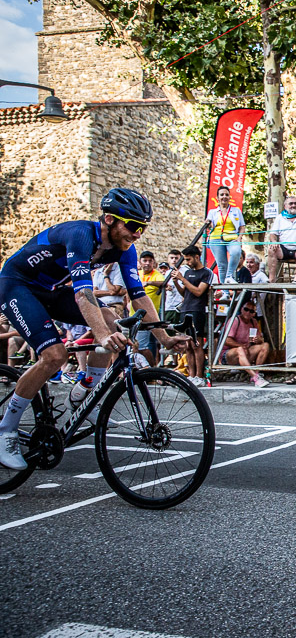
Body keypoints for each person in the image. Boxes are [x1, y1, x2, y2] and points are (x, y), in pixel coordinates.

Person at [0, 188, 190, 469]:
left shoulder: (125, 249)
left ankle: (84, 391)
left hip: (50, 289)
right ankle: (6, 430)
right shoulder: (80, 235)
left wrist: (163, 337)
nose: (138, 234)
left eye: (143, 228)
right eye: (134, 226)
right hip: (16, 285)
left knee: (114, 321)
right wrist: (101, 335)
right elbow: (83, 293)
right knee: (54, 356)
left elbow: (138, 295)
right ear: (110, 219)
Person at [170, 245, 214, 388]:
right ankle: (192, 374)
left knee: (197, 344)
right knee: (187, 345)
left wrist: (182, 279)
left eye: (189, 259)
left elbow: (198, 291)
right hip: (185, 309)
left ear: (196, 257)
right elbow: (185, 293)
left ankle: (200, 376)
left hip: (197, 310)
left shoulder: (206, 273)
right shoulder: (188, 273)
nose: (187, 262)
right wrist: (177, 282)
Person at [266, 195, 296, 283]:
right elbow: (273, 233)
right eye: (290, 203)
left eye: (295, 203)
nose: (293, 205)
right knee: (271, 249)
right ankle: (271, 279)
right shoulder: (280, 217)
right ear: (285, 206)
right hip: (284, 248)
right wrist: (273, 241)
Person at [223, 300, 270, 388]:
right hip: (230, 354)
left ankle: (256, 373)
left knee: (265, 345)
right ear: (241, 309)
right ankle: (255, 377)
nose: (248, 313)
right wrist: (240, 346)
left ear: (254, 313)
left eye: (251, 311)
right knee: (240, 350)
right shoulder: (235, 320)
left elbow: (261, 339)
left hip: (246, 351)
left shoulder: (254, 322)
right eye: (246, 309)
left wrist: (257, 340)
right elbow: (227, 340)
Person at [205, 185, 246, 283]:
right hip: (215, 238)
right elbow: (209, 225)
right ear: (218, 198)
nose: (224, 197)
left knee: (236, 252)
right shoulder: (213, 212)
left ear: (229, 197)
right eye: (222, 195)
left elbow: (242, 226)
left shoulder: (236, 210)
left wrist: (240, 237)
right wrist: (208, 224)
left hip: (231, 237)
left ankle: (229, 276)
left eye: (226, 195)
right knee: (222, 265)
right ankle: (225, 292)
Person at [136, 251, 164, 365]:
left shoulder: (156, 274)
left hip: (151, 315)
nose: (147, 263)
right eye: (145, 261)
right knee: (145, 344)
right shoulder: (137, 274)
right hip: (136, 314)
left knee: (143, 345)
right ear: (140, 262)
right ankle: (150, 369)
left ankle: (150, 369)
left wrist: (149, 282)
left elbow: (163, 283)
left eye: (150, 261)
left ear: (154, 262)